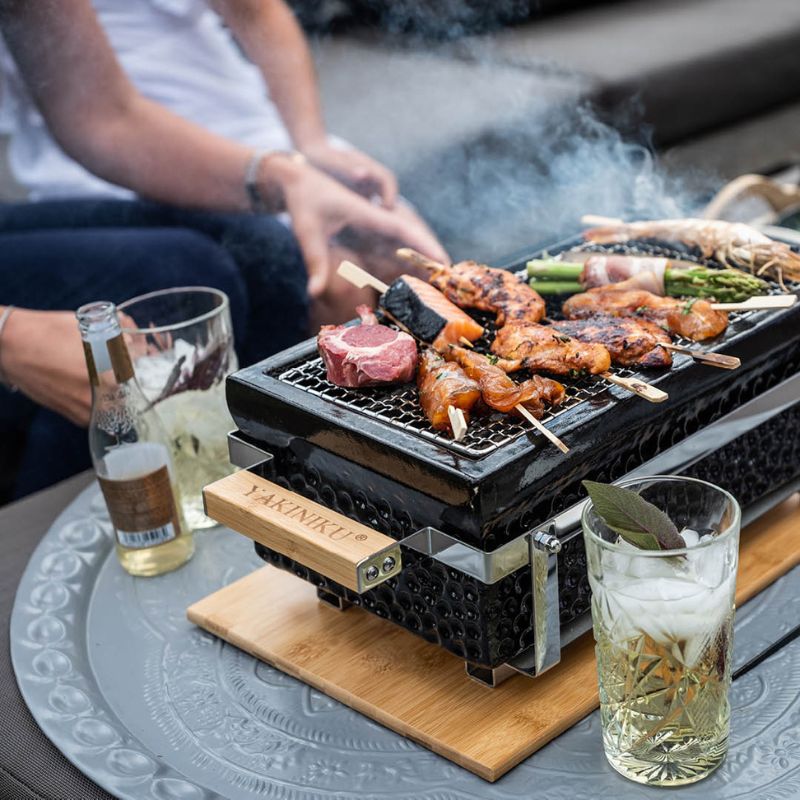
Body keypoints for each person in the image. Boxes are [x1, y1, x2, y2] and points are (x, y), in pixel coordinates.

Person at [0, 0, 448, 499]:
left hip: (230, 138)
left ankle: (302, 481)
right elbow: (106, 119)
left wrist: (307, 147)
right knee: (230, 273)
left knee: (403, 273)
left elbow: (254, 11)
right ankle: (56, 520)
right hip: (113, 168)